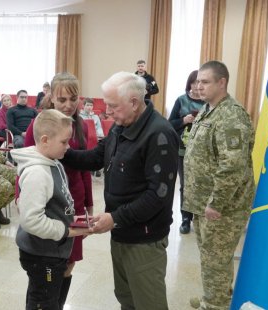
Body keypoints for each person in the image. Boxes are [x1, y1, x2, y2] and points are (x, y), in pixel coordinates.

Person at [62, 71, 179, 310]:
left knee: (148, 304)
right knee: (127, 298)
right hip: (122, 232)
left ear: (134, 102)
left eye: (112, 106)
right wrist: (59, 152)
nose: (107, 111)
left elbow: (157, 196)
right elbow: (97, 157)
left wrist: (115, 218)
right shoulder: (121, 125)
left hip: (144, 239)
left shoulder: (160, 134)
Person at [183, 61, 255, 310]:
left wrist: (217, 202)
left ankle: (215, 305)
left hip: (222, 207)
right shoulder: (208, 109)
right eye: (197, 82)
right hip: (203, 202)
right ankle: (213, 297)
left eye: (205, 82)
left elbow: (232, 165)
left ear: (222, 82)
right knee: (210, 256)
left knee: (217, 259)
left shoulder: (231, 115)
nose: (198, 86)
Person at [24, 72, 93, 309]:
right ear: (51, 97)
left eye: (73, 99)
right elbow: (26, 163)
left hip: (74, 201)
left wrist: (89, 204)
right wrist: (20, 196)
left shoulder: (80, 124)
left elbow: (84, 166)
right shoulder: (39, 123)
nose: (68, 105)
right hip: (49, 204)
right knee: (48, 267)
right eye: (62, 99)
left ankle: (56, 305)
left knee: (69, 262)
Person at [168, 70, 205, 234]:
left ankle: (200, 217)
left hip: (204, 152)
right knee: (185, 185)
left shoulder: (209, 102)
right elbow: (169, 125)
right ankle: (185, 218)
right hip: (182, 150)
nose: (198, 86)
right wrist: (184, 120)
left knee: (201, 185)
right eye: (194, 82)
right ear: (189, 84)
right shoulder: (181, 101)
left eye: (201, 82)